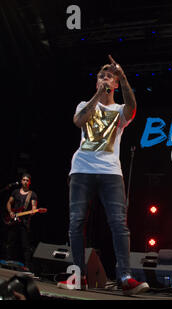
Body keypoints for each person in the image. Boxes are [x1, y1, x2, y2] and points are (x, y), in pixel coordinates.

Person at [58, 55, 149, 295]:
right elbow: (79, 121)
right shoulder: (84, 104)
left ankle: (126, 277)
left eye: (110, 76)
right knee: (76, 222)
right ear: (96, 82)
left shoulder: (120, 111)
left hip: (110, 171)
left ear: (116, 84)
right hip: (81, 170)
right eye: (101, 76)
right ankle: (78, 276)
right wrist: (99, 95)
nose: (105, 78)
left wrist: (125, 76)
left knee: (119, 224)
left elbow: (133, 107)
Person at [5, 173, 37, 271]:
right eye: (23, 180)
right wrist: (10, 212)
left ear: (30, 182)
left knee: (25, 245)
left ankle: (27, 266)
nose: (25, 182)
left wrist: (33, 211)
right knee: (10, 242)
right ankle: (7, 261)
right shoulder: (15, 192)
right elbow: (9, 203)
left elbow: (34, 207)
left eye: (27, 180)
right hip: (14, 220)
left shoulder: (32, 194)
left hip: (24, 222)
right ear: (21, 180)